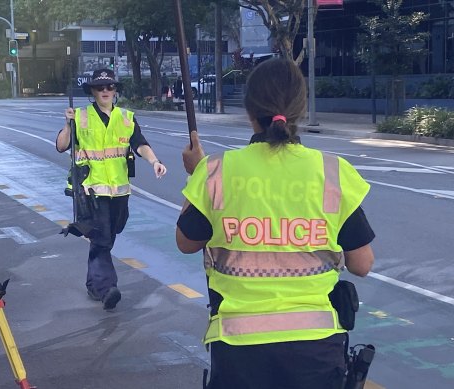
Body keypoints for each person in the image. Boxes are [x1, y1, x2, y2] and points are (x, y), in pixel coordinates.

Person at [176, 58, 375, 389]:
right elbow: (362, 264)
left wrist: (197, 174)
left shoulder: (216, 170)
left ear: (249, 110)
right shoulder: (331, 171)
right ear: (300, 107)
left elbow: (186, 243)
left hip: (239, 349)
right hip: (316, 348)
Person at [56, 68, 167, 311]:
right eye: (99, 87)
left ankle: (93, 283)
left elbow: (140, 144)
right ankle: (107, 288)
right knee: (102, 236)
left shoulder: (126, 117)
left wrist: (155, 162)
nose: (105, 91)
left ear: (115, 91)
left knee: (108, 235)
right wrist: (67, 124)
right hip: (91, 189)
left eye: (109, 87)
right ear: (92, 92)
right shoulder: (81, 116)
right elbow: (61, 145)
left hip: (119, 191)